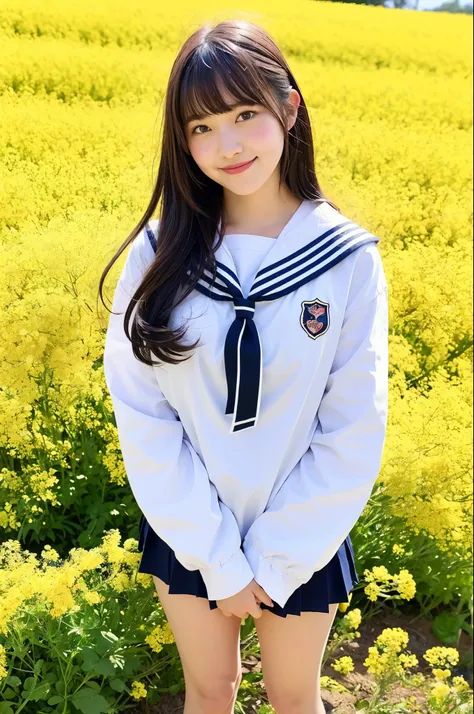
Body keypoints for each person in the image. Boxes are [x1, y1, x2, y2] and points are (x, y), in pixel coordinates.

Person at [99, 18, 389, 714]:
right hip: (190, 526)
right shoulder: (158, 255)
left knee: (294, 695)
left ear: (289, 108)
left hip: (305, 528)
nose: (225, 144)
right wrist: (218, 559)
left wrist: (279, 556)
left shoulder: (346, 259)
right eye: (200, 126)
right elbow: (145, 418)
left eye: (245, 114)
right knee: (210, 689)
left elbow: (353, 425)